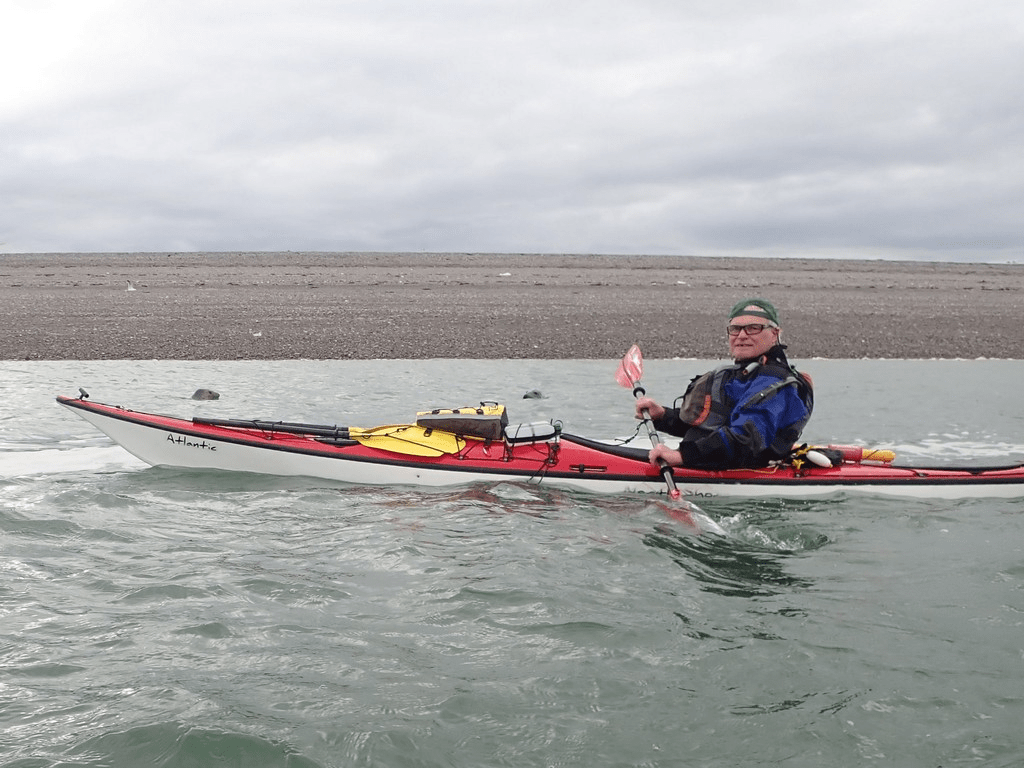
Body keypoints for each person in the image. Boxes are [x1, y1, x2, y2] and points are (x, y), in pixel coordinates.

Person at [635, 298, 813, 470]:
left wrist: (682, 456)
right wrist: (663, 416)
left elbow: (746, 439)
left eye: (753, 328)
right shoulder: (744, 375)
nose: (742, 336)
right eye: (735, 329)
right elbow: (711, 425)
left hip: (742, 469)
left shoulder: (775, 383)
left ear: (774, 334)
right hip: (710, 462)